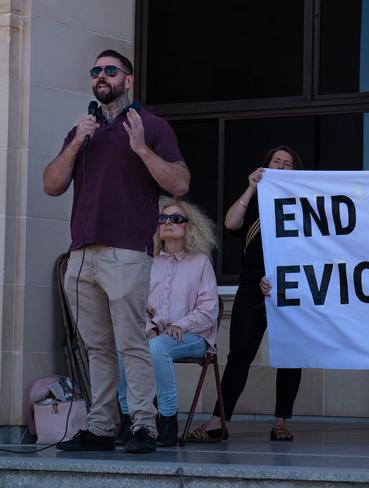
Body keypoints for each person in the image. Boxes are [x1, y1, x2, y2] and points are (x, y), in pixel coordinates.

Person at [43, 49, 190, 453]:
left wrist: (143, 149)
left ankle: (143, 425)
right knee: (96, 346)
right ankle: (102, 426)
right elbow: (51, 185)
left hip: (126, 252)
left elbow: (180, 185)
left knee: (131, 343)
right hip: (82, 254)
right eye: (96, 71)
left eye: (110, 70)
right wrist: (76, 142)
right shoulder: (83, 130)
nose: (101, 76)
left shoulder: (152, 126)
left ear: (128, 80)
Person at [187, 145, 303, 442]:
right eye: (275, 161)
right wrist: (251, 187)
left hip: (289, 287)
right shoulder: (254, 201)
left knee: (290, 357)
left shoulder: (302, 204)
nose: (280, 166)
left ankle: (281, 422)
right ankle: (218, 421)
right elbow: (230, 224)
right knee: (239, 355)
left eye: (287, 163)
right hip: (251, 287)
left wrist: (277, 278)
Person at [116, 197, 220, 447]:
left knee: (158, 348)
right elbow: (135, 304)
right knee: (125, 345)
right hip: (155, 335)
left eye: (176, 218)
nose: (168, 223)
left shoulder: (201, 262)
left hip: (193, 336)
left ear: (189, 226)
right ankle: (129, 418)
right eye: (162, 219)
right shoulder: (148, 261)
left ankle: (167, 421)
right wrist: (149, 327)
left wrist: (181, 325)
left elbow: (209, 309)